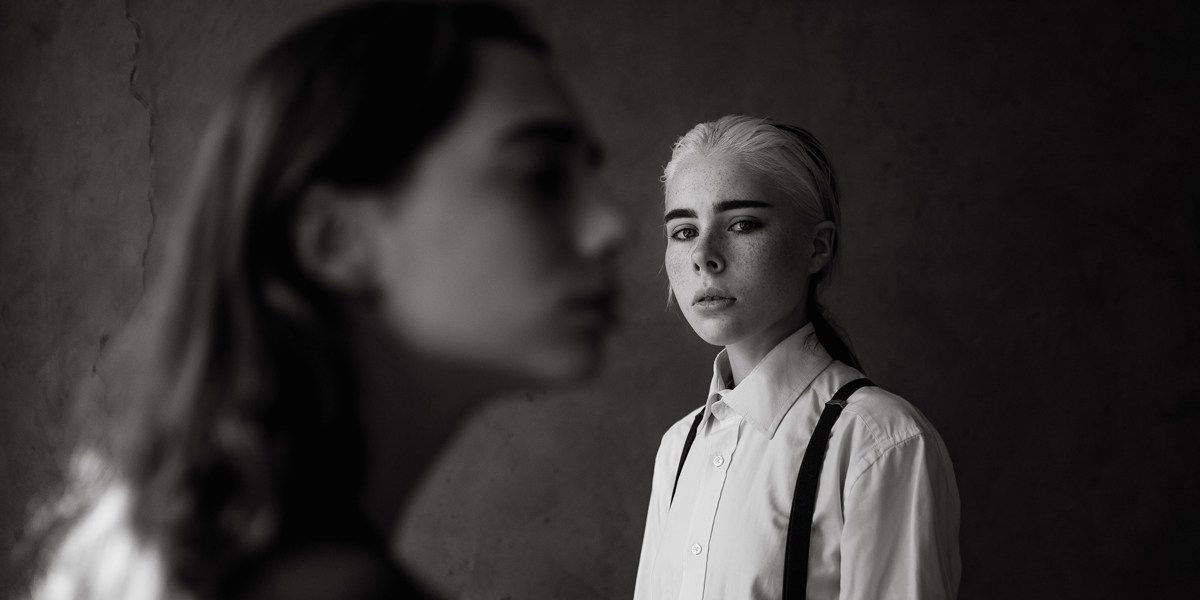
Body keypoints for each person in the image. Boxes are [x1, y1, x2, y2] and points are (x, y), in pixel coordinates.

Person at [27, 2, 624, 599]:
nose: (611, 225)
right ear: (335, 240)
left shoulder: (132, 537)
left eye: (588, 175)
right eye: (540, 177)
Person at [634, 115, 959, 599]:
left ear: (818, 247)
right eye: (683, 231)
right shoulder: (678, 449)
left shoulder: (880, 443)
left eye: (742, 224)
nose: (704, 255)